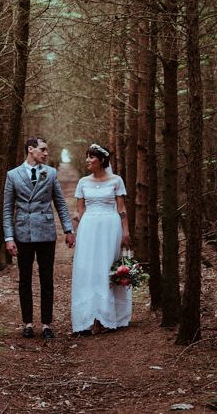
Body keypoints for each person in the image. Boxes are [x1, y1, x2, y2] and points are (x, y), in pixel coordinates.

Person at [3, 136, 75, 339]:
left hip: (46, 233)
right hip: (22, 233)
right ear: (30, 150)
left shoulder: (50, 173)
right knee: (24, 279)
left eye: (46, 150)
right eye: (42, 149)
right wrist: (9, 237)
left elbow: (60, 203)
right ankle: (27, 323)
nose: (45, 153)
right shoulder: (13, 175)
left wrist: (68, 230)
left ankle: (46, 324)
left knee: (47, 279)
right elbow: (7, 209)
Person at [70, 143, 132, 335]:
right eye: (87, 156)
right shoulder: (83, 182)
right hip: (89, 227)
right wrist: (74, 229)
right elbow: (80, 209)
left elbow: (121, 208)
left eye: (91, 157)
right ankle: (88, 316)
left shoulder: (116, 181)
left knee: (106, 267)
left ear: (102, 160)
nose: (87, 160)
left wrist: (126, 232)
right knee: (87, 268)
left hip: (109, 226)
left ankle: (107, 316)